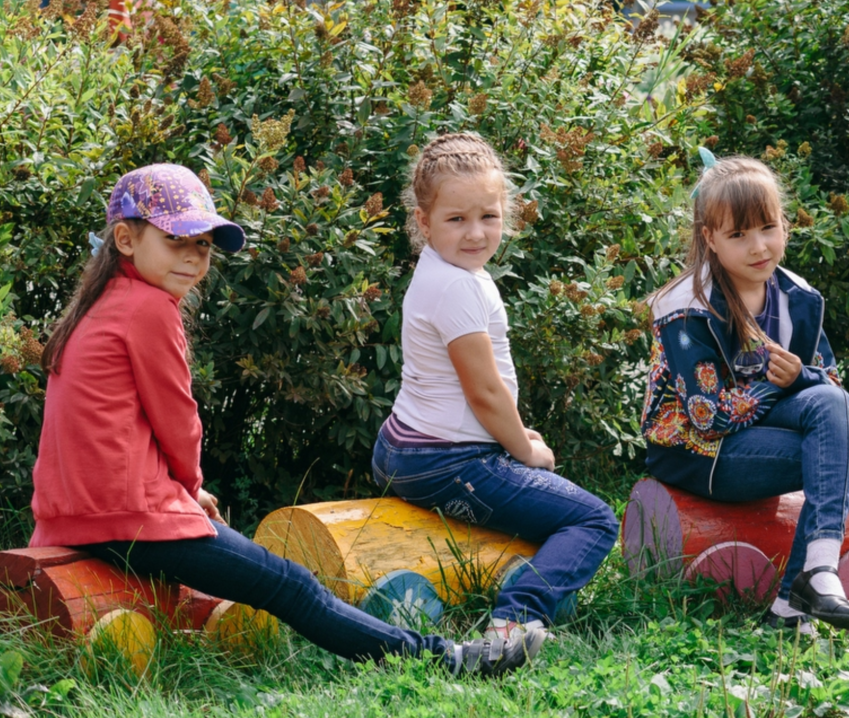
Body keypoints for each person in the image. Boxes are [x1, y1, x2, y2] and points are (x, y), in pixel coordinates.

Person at [31, 164, 536, 676]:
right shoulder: (148, 309)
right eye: (175, 239)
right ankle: (445, 660)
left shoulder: (99, 306)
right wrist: (189, 489)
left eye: (204, 245)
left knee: (238, 581)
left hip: (74, 516)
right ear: (125, 238)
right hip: (132, 515)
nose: (193, 256)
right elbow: (177, 419)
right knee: (290, 583)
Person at [371, 133, 619, 650]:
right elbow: (483, 392)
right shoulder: (458, 286)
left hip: (406, 445)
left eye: (489, 216)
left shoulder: (445, 270)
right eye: (456, 219)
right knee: (593, 519)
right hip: (447, 462)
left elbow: (481, 396)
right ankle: (513, 620)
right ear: (423, 222)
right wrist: (524, 450)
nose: (476, 233)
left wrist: (509, 436)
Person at [642, 151, 849, 633]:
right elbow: (707, 416)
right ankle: (797, 595)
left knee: (836, 416)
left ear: (784, 225)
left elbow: (830, 386)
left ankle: (811, 580)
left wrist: (800, 378)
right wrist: (775, 382)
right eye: (738, 234)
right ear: (711, 240)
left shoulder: (796, 297)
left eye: (767, 227)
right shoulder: (687, 308)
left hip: (757, 434)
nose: (758, 246)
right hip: (698, 453)